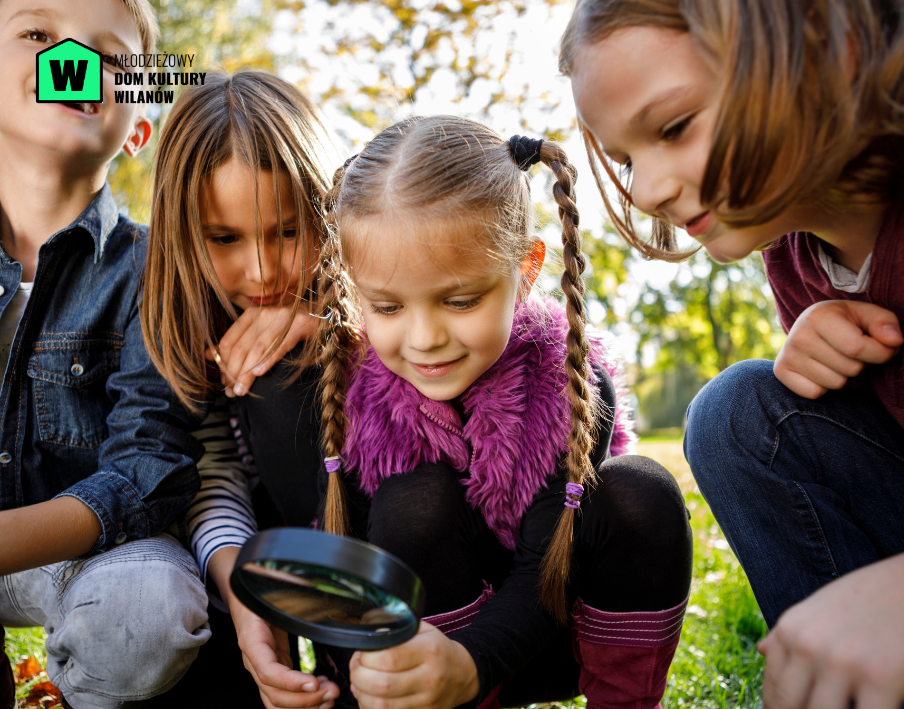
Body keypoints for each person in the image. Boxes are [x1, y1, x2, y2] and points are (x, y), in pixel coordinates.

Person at [558, 1, 904, 707]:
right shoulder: (796, 258)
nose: (646, 190)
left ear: (831, 43)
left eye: (673, 127)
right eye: (626, 159)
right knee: (736, 411)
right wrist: (821, 368)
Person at [312, 115, 693, 709]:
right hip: (433, 652)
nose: (424, 338)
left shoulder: (565, 387)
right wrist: (365, 669)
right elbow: (341, 565)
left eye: (460, 300)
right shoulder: (357, 398)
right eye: (387, 307)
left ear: (526, 269)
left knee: (641, 491)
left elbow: (545, 571)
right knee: (415, 502)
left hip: (558, 629)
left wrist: (472, 664)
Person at [0, 1, 213, 707]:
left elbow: (143, 471)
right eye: (37, 36)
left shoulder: (159, 269)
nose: (74, 67)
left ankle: (79, 691)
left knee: (148, 608)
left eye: (112, 60)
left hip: (85, 553)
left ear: (139, 126)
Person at [139, 70, 345, 709]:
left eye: (287, 230)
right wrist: (246, 590)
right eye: (224, 238)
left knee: (286, 383)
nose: (261, 270)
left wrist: (333, 324)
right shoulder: (177, 316)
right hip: (240, 555)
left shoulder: (376, 292)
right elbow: (213, 474)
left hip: (361, 551)